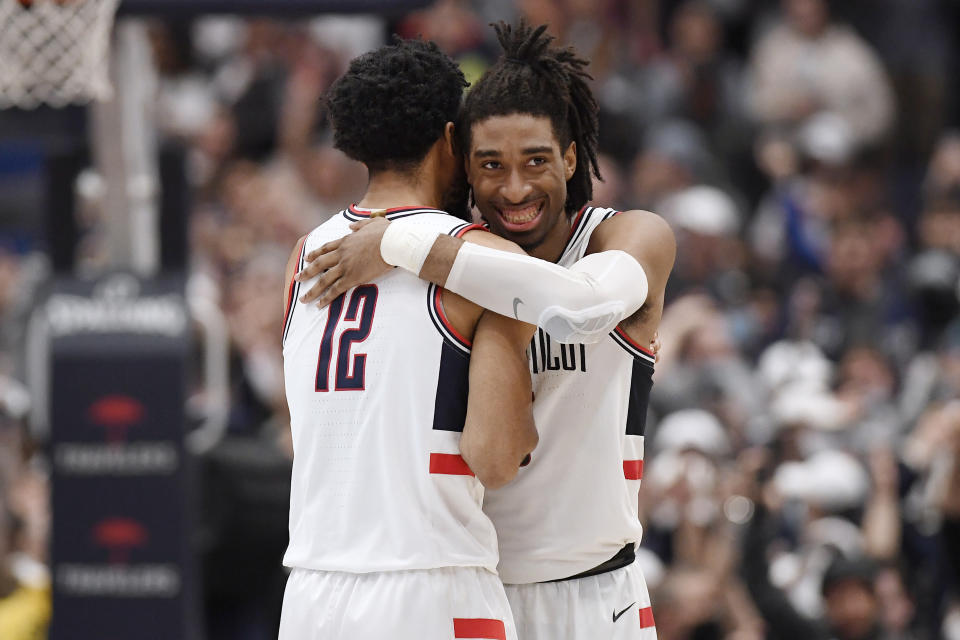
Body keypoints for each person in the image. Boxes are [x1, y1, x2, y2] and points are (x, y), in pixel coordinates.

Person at [296, 21, 675, 640]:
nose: (516, 187)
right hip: (470, 590)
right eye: (491, 165)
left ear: (571, 158)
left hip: (593, 594)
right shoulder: (458, 265)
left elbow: (580, 304)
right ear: (462, 166)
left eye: (536, 161)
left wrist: (399, 239)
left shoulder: (627, 236)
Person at [278, 37, 538, 640]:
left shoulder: (303, 254)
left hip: (313, 589)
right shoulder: (482, 262)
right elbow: (498, 459)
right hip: (431, 579)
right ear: (451, 139)